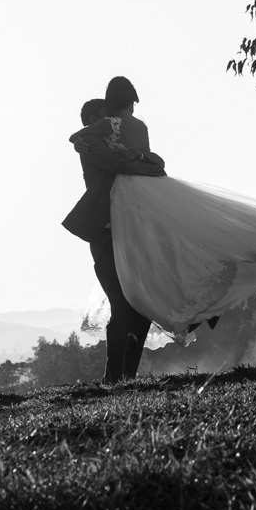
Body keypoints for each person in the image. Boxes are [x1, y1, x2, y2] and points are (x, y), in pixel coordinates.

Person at [68, 76, 256, 338]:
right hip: (150, 191)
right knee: (181, 249)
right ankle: (201, 305)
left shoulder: (107, 126)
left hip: (129, 201)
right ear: (131, 102)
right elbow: (151, 161)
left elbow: (79, 138)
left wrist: (114, 150)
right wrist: (141, 158)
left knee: (153, 268)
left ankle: (181, 309)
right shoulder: (139, 126)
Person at [62, 91, 165, 383]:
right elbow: (125, 163)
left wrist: (144, 157)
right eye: (107, 116)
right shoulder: (90, 143)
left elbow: (150, 166)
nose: (114, 121)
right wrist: (143, 157)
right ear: (96, 120)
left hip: (129, 232)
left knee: (141, 306)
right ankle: (112, 377)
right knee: (122, 306)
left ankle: (126, 376)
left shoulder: (111, 142)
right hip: (106, 237)